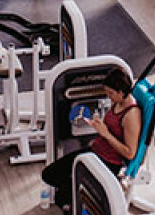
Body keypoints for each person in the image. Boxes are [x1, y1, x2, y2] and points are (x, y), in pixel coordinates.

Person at [42, 67, 141, 213]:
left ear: (121, 92)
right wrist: (100, 125)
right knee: (49, 175)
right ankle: (78, 194)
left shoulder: (131, 115)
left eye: (111, 93)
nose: (108, 96)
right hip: (95, 151)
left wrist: (106, 134)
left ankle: (79, 198)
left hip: (108, 162)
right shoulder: (117, 101)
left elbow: (130, 153)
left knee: (62, 197)